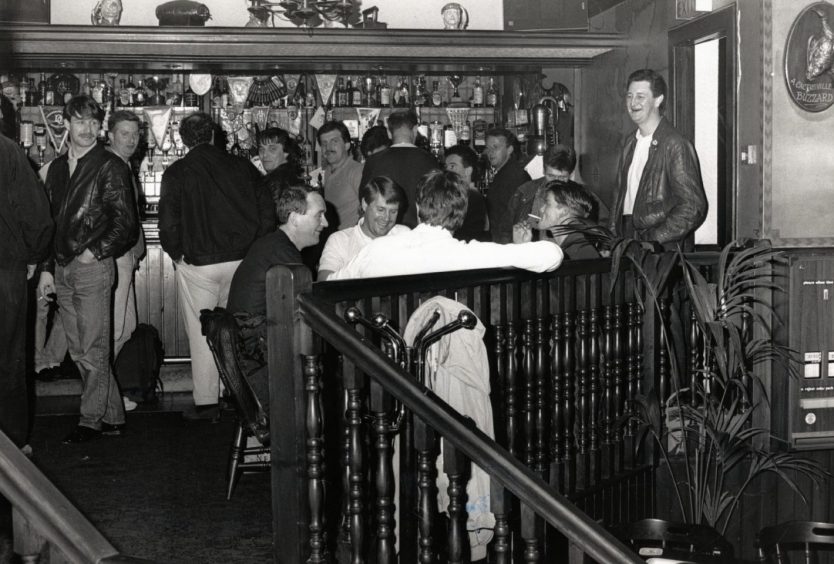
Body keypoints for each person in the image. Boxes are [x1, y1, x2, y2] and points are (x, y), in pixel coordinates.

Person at [159, 112, 275, 421]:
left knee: (203, 333)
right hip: (242, 262)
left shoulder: (177, 171)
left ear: (184, 141)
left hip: (200, 265)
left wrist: (177, 252)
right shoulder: (243, 166)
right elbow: (267, 212)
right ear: (213, 134)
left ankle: (208, 403)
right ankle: (240, 397)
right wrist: (254, 251)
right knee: (237, 329)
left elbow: (169, 224)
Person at [37, 95, 138, 443]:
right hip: (62, 268)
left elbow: (125, 224)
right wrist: (49, 269)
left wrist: (93, 252)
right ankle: (113, 415)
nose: (88, 129)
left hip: (92, 267)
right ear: (66, 124)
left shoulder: (110, 165)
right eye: (80, 122)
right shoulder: (57, 168)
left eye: (94, 123)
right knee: (81, 350)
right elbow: (49, 223)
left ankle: (90, 420)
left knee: (93, 348)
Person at [328, 170, 563, 280]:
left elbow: (328, 285)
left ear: (418, 208)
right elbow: (552, 254)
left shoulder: (376, 252)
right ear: (460, 215)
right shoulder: (469, 255)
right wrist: (516, 249)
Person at [0, 100, 53, 450]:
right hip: (5, 268)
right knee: (8, 358)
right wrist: (35, 256)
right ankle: (11, 445)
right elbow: (36, 213)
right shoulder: (7, 152)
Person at [608, 69, 707, 250]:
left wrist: (653, 240)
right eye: (629, 96)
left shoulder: (674, 144)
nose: (632, 103)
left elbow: (693, 207)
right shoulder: (630, 142)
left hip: (660, 247)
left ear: (658, 100)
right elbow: (619, 198)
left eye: (640, 97)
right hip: (628, 238)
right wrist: (612, 240)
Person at [228, 184, 328, 318]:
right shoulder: (283, 255)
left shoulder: (274, 244)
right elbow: (301, 313)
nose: (325, 223)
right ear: (294, 219)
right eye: (319, 215)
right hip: (256, 336)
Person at [107, 110, 146, 412]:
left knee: (126, 326)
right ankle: (105, 398)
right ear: (110, 135)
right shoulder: (110, 165)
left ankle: (105, 392)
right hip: (115, 256)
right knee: (113, 329)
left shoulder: (123, 165)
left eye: (135, 134)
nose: (131, 140)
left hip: (125, 256)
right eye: (124, 133)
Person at [318, 176, 410, 280]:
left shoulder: (403, 235)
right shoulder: (340, 240)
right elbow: (322, 283)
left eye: (393, 212)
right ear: (364, 205)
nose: (387, 218)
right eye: (381, 210)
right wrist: (363, 261)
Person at [359, 109, 439, 228]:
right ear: (415, 130)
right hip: (419, 234)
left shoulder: (373, 161)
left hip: (384, 231)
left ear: (389, 133)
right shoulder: (430, 161)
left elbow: (363, 199)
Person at [509, 144, 599, 228]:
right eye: (551, 176)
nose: (556, 182)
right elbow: (505, 230)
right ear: (544, 170)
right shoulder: (524, 192)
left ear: (571, 174)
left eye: (562, 177)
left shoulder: (584, 198)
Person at [484, 128, 530, 243]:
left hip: (508, 243)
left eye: (495, 147)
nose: (490, 153)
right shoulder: (507, 172)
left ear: (509, 149)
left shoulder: (513, 176)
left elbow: (507, 219)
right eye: (488, 148)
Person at [535, 181, 601, 260]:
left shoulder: (580, 251)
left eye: (548, 203)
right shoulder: (574, 246)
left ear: (564, 211)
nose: (541, 209)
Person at [318, 120, 363, 229]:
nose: (328, 147)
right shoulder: (328, 171)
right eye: (324, 143)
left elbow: (370, 207)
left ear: (347, 145)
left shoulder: (357, 171)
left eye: (334, 141)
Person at [444, 145, 488, 242]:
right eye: (446, 167)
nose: (447, 171)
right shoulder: (464, 194)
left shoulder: (471, 197)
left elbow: (468, 235)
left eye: (452, 166)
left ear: (468, 171)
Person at [257, 126, 304, 203]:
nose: (264, 155)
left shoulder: (278, 182)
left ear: (286, 152)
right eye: (261, 149)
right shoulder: (291, 174)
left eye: (272, 149)